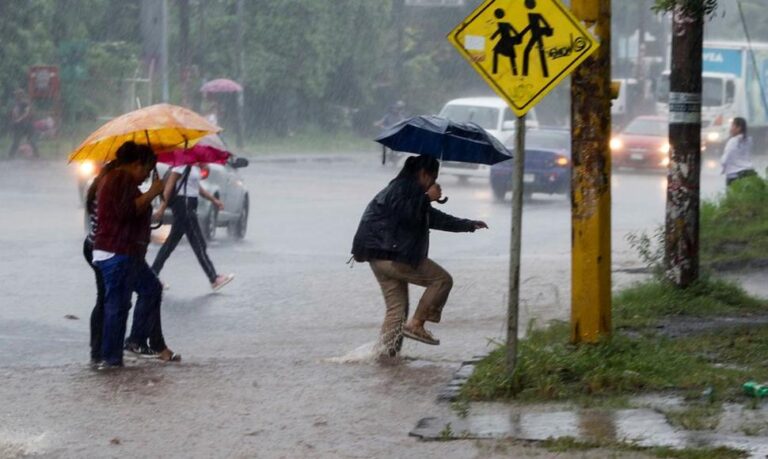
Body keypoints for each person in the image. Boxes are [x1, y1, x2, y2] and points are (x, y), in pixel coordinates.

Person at [351, 155, 488, 358]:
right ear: (424, 174)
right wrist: (427, 198)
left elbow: (429, 217)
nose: (434, 183)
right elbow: (404, 213)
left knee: (396, 311)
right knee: (441, 280)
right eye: (433, 178)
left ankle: (384, 359)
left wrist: (467, 225)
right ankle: (416, 324)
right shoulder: (404, 189)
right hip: (391, 253)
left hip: (377, 255)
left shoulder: (405, 190)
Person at [92, 142, 176, 369]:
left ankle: (135, 340)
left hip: (126, 253)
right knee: (117, 306)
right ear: (137, 164)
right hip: (117, 253)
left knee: (151, 289)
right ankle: (111, 360)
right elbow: (126, 211)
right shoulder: (120, 179)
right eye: (147, 171)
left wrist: (150, 196)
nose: (146, 177)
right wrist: (151, 193)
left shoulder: (120, 180)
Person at [151, 163, 234, 290]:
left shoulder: (193, 166)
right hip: (184, 206)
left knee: (170, 244)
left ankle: (152, 276)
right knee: (199, 244)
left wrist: (214, 200)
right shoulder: (181, 165)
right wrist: (162, 208)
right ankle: (214, 278)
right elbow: (170, 185)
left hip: (189, 206)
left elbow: (197, 188)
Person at [721, 117, 756, 187]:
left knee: (733, 197)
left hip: (735, 175)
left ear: (739, 128)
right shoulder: (749, 140)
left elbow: (725, 159)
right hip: (749, 172)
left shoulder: (732, 141)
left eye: (732, 126)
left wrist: (723, 168)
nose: (730, 129)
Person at [7, 89, 39, 159]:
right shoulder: (17, 103)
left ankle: (36, 155)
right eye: (15, 95)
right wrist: (14, 120)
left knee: (30, 140)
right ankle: (10, 155)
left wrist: (20, 119)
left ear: (20, 95)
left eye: (16, 95)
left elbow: (27, 112)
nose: (15, 96)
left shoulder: (25, 102)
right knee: (16, 140)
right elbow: (14, 112)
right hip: (20, 125)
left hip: (27, 124)